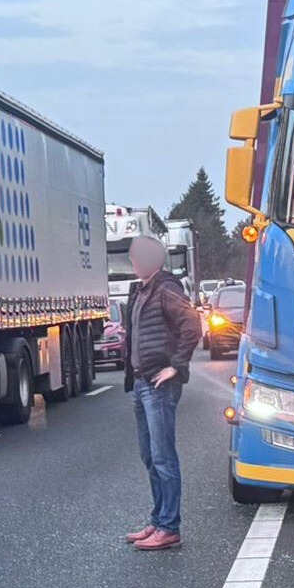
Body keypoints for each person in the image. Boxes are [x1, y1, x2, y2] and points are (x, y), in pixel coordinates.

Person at [122, 235, 202, 552]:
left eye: (136, 257)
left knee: (163, 456)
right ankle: (158, 519)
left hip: (159, 383)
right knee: (149, 456)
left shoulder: (167, 288)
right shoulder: (141, 290)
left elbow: (192, 325)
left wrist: (176, 366)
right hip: (141, 383)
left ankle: (169, 527)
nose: (133, 263)